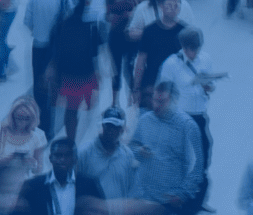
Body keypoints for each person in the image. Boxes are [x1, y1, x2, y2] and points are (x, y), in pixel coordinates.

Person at [158, 27, 215, 209]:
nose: (195, 52)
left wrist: (209, 87)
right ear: (183, 46)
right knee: (178, 160)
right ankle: (172, 201)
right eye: (191, 48)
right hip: (179, 119)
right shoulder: (171, 64)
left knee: (203, 157)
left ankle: (198, 201)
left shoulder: (205, 59)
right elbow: (162, 91)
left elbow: (211, 85)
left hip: (199, 116)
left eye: (197, 48)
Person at [131, 81, 205, 214]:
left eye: (161, 102)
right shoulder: (145, 120)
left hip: (167, 203)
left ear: (173, 100)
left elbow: (197, 166)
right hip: (141, 197)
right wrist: (139, 151)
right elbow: (131, 146)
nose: (156, 106)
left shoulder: (188, 127)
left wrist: (183, 194)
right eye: (154, 100)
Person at [22, 0, 70, 137]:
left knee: (39, 87)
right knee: (56, 84)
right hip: (59, 48)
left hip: (39, 46)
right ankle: (55, 122)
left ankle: (43, 126)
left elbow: (27, 21)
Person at [50, 0, 101, 140]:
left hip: (68, 74)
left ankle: (71, 140)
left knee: (71, 110)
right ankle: (82, 139)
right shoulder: (91, 25)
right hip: (86, 74)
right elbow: (96, 52)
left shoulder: (62, 24)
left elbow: (56, 50)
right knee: (89, 109)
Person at [14, 138, 106, 215]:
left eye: (67, 156)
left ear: (75, 159)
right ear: (50, 158)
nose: (62, 159)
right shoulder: (34, 186)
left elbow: (103, 211)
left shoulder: (89, 185)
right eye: (58, 155)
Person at [78, 108, 137, 212]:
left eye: (115, 127)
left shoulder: (128, 155)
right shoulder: (83, 152)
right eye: (108, 126)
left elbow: (132, 189)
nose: (111, 130)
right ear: (103, 126)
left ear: (121, 129)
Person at [134, 0, 186, 112]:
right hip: (150, 88)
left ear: (179, 9)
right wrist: (136, 88)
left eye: (176, 6)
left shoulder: (184, 32)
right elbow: (141, 61)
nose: (172, 8)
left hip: (174, 90)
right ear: (161, 6)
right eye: (169, 5)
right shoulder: (149, 30)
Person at [105, 0, 146, 105]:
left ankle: (133, 100)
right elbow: (106, 14)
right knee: (115, 71)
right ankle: (114, 103)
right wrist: (111, 17)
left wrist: (132, 15)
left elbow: (147, 10)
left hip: (131, 38)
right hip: (115, 36)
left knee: (130, 70)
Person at [127, 0, 198, 41]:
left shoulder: (183, 5)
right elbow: (130, 34)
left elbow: (193, 32)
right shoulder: (143, 7)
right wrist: (149, 33)